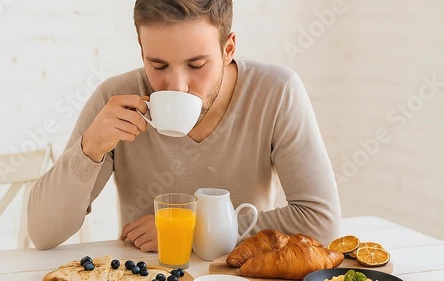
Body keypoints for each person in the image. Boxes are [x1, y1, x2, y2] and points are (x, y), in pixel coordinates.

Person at [27, 0, 341, 251]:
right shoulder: (115, 99)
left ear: (228, 49)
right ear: (141, 48)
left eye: (196, 65)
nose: (176, 86)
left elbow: (320, 222)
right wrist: (90, 147)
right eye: (158, 65)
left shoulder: (276, 91)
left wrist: (186, 231)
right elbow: (43, 234)